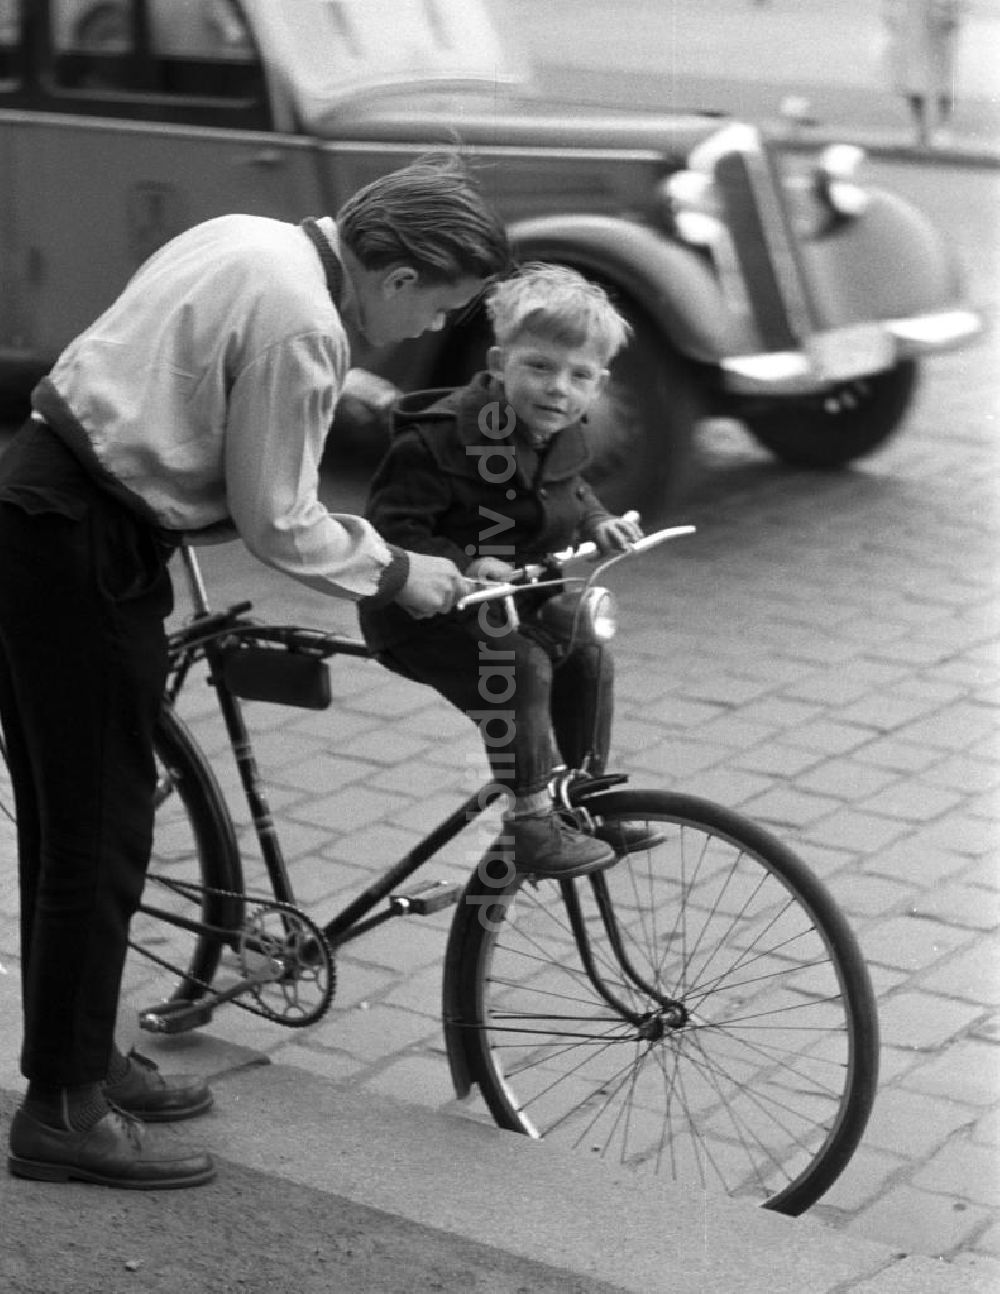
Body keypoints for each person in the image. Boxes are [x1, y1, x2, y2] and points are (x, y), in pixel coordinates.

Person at [0, 154, 508, 1189]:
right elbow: (280, 520)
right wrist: (400, 571)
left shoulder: (256, 236)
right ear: (396, 274)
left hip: (40, 503)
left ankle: (79, 1056)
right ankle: (59, 1110)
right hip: (86, 545)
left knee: (70, 824)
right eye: (435, 307)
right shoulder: (307, 325)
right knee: (98, 835)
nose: (421, 333)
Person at [359, 263, 649, 881]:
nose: (558, 390)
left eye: (579, 377)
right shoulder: (437, 442)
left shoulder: (564, 433)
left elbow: (569, 491)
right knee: (519, 666)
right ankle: (532, 823)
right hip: (426, 615)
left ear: (599, 384)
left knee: (586, 647)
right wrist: (464, 564)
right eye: (539, 367)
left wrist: (598, 522)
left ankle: (583, 801)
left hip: (516, 603)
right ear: (498, 363)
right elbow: (388, 536)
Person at [881, 0, 966, 146]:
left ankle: (941, 127)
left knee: (943, 78)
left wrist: (952, 15)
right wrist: (892, 15)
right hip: (912, 22)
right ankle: (920, 128)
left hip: (940, 23)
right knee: (912, 78)